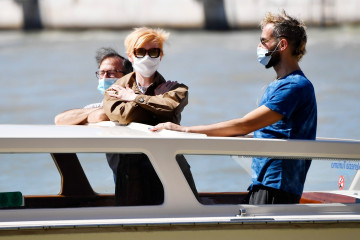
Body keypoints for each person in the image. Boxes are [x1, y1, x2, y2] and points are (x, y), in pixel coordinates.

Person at [151, 10, 317, 204]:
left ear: (282, 44)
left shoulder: (294, 86)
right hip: (266, 183)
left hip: (277, 186)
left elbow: (245, 125)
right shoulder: (282, 84)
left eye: (264, 41)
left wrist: (185, 130)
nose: (259, 46)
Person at [103, 27, 198, 205]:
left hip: (171, 168)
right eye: (140, 52)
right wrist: (154, 102)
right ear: (130, 56)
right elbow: (122, 116)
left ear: (161, 55)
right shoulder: (115, 88)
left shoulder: (176, 88)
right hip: (131, 173)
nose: (147, 57)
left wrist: (133, 98)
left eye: (153, 51)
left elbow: (170, 106)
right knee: (132, 225)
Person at [54, 47, 133, 125]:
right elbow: (59, 120)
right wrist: (95, 112)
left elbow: (101, 116)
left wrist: (85, 117)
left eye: (111, 72)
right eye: (102, 73)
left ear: (127, 77)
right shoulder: (94, 107)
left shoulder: (133, 105)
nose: (105, 77)